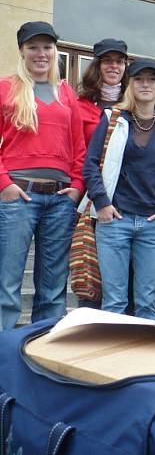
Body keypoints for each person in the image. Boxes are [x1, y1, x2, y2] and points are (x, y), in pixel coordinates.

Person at [82, 58, 155, 320]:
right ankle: (109, 358)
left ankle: (144, 360)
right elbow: (91, 165)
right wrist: (102, 203)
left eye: (152, 79)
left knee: (146, 303)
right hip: (115, 221)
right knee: (114, 302)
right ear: (129, 84)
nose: (145, 84)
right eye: (139, 79)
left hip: (153, 225)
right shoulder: (112, 119)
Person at [0, 21, 86, 330]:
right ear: (22, 51)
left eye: (47, 47)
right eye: (33, 47)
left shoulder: (65, 93)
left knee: (52, 289)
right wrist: (4, 184)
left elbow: (79, 146)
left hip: (60, 200)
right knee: (7, 285)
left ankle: (41, 356)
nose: (41, 53)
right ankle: (5, 359)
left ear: (55, 50)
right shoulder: (6, 88)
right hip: (18, 196)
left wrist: (77, 187)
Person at [76, 38, 128, 146]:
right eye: (107, 61)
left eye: (119, 61)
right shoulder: (79, 106)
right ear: (97, 66)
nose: (114, 66)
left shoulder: (133, 106)